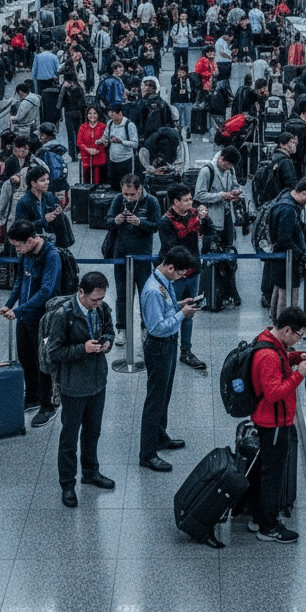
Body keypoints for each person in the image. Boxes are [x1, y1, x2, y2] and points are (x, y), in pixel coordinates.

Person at [46, 271, 115, 508]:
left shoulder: (102, 309)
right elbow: (54, 352)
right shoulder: (63, 315)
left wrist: (107, 342)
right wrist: (81, 349)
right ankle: (67, 484)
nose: (98, 304)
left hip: (98, 382)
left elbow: (109, 330)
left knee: (93, 431)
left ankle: (90, 471)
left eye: (102, 298)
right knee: (69, 437)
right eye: (94, 299)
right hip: (74, 386)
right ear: (81, 292)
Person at [249, 305, 306, 543]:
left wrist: (296, 357)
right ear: (288, 329)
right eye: (299, 336)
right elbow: (274, 392)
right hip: (273, 423)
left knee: (266, 472)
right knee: (272, 476)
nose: (298, 339)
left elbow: (280, 361)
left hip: (271, 420)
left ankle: (259, 516)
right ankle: (268, 527)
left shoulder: (269, 340)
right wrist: (299, 374)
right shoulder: (267, 355)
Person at [138, 245, 198, 472]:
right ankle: (147, 453)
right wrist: (182, 315)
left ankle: (160, 436)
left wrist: (179, 305)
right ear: (170, 267)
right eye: (180, 274)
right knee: (155, 400)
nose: (181, 278)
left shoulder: (164, 281)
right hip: (158, 347)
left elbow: (165, 311)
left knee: (165, 395)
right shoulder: (154, 290)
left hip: (168, 344)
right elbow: (156, 327)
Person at [0, 219, 61, 428]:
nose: (17, 250)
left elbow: (46, 291)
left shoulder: (51, 256)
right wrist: (9, 305)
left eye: (18, 246)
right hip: (24, 316)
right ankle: (33, 396)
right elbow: (20, 281)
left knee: (43, 362)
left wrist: (18, 310)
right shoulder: (25, 254)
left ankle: (48, 404)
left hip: (43, 319)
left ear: (32, 240)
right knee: (26, 358)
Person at [158, 184, 212, 370]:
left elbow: (209, 231)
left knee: (188, 313)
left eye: (191, 199)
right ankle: (168, 348)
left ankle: (186, 351)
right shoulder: (166, 222)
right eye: (186, 200)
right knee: (172, 311)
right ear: (175, 202)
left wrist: (204, 220)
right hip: (177, 276)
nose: (190, 203)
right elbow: (172, 250)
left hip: (193, 272)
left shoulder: (194, 215)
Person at [107, 173, 161, 347]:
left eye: (132, 194)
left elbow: (156, 226)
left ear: (140, 189)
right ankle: (121, 329)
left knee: (146, 294)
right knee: (122, 294)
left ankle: (146, 327)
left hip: (143, 256)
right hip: (121, 255)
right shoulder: (117, 200)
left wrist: (140, 223)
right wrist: (115, 221)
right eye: (126, 194)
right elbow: (107, 221)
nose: (129, 198)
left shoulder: (151, 201)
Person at [262, 177, 306, 320]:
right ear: (304, 193)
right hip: (287, 259)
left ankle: (277, 323)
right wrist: (303, 256)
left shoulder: (284, 197)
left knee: (280, 288)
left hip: (279, 257)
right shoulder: (289, 209)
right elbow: (285, 239)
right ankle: (284, 327)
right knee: (287, 294)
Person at [193, 145, 244, 308]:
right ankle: (208, 294)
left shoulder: (230, 169)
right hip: (212, 221)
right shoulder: (207, 171)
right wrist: (221, 196)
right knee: (210, 257)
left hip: (228, 217)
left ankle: (228, 292)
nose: (229, 169)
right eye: (227, 165)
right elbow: (199, 195)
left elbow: (234, 184)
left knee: (228, 255)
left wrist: (236, 192)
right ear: (221, 159)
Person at [15, 165, 66, 238]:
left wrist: (57, 209)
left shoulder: (49, 196)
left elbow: (56, 204)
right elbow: (22, 228)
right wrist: (43, 221)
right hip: (33, 239)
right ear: (33, 183)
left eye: (47, 179)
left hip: (51, 236)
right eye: (42, 180)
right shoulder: (24, 202)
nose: (47, 182)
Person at [103, 102, 138, 191]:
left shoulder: (129, 125)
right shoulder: (110, 123)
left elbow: (135, 144)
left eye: (114, 116)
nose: (113, 120)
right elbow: (105, 136)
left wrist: (122, 142)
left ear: (120, 113)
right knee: (113, 187)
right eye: (110, 117)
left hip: (126, 160)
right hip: (113, 160)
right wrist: (103, 141)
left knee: (126, 186)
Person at [77, 104, 107, 184]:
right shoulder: (83, 127)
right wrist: (88, 149)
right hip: (86, 158)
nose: (92, 115)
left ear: (98, 114)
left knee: (97, 182)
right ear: (86, 115)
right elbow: (79, 142)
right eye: (90, 113)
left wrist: (102, 143)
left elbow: (106, 141)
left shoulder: (102, 126)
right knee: (86, 182)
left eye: (95, 113)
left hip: (99, 157)